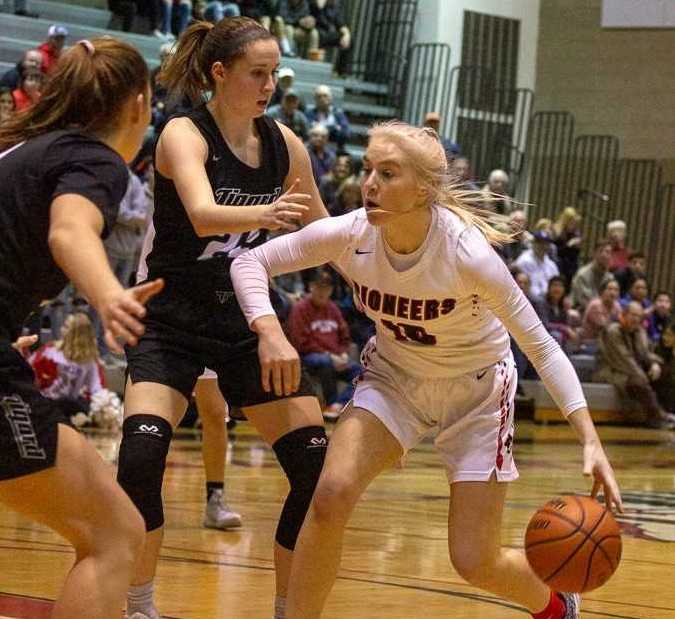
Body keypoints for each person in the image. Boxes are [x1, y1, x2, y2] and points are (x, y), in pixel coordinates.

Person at [231, 120, 622, 619]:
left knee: (472, 560)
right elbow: (248, 264)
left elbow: (542, 347)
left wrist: (588, 435)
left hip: (477, 391)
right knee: (329, 494)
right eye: (369, 169)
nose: (369, 184)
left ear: (424, 190)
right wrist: (269, 330)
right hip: (395, 378)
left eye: (388, 174)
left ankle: (556, 604)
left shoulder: (466, 254)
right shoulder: (352, 234)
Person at [118, 18, 328, 619]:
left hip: (245, 320)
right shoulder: (182, 133)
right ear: (219, 73)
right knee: (139, 459)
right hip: (172, 315)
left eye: (274, 74)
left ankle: (288, 608)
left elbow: (326, 233)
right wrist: (271, 209)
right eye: (257, 73)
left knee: (315, 467)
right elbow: (205, 215)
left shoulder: (286, 144)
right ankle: (139, 606)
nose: (269, 85)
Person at [0, 37, 163, 619]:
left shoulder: (26, 151)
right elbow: (69, 231)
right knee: (115, 533)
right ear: (141, 104)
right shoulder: (94, 160)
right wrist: (110, 294)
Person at [287, 269, 361, 418]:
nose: (322, 292)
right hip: (308, 358)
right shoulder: (300, 309)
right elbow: (300, 342)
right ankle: (330, 402)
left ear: (331, 290)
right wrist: (329, 355)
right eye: (319, 287)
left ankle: (338, 404)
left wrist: (343, 353)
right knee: (325, 362)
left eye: (326, 288)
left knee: (363, 373)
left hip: (335, 357)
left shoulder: (333, 308)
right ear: (311, 287)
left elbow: (344, 336)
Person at [594, 302, 673, 429]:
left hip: (632, 370)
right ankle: (658, 417)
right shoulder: (613, 331)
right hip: (611, 371)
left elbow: (645, 354)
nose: (636, 319)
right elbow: (624, 359)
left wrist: (654, 364)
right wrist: (643, 376)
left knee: (665, 372)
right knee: (638, 382)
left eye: (639, 316)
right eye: (633, 315)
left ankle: (668, 411)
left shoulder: (639, 331)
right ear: (624, 315)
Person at [30, 312, 105, 420]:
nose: (61, 329)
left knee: (74, 404)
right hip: (46, 400)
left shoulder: (89, 360)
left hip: (70, 405)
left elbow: (96, 388)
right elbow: (29, 368)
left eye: (66, 327)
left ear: (77, 334)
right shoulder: (51, 350)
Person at [194, 372, 243, 529]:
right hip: (165, 353)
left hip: (206, 349)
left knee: (216, 414)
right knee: (156, 425)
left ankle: (215, 500)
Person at [513, 230, 560, 301]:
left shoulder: (551, 265)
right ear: (533, 243)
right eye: (540, 243)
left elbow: (557, 284)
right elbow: (528, 290)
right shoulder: (524, 261)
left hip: (548, 303)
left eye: (546, 243)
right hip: (529, 301)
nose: (543, 246)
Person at [570, 239, 613, 312]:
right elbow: (586, 303)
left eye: (609, 252)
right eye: (601, 251)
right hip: (581, 312)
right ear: (595, 253)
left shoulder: (610, 277)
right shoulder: (583, 274)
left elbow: (612, 301)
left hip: (603, 313)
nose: (605, 255)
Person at [306, 84, 350, 150]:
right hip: (313, 152)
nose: (322, 99)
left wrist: (318, 130)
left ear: (331, 97)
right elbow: (307, 133)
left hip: (335, 151)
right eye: (319, 96)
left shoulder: (338, 114)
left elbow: (345, 134)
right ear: (315, 99)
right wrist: (335, 129)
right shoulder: (309, 114)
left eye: (325, 96)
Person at [580, 278, 621, 343]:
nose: (613, 293)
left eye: (616, 290)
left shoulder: (616, 305)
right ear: (602, 291)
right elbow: (605, 328)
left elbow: (621, 323)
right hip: (590, 343)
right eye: (610, 289)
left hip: (607, 342)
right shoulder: (595, 305)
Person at [552, 207, 582, 286]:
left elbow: (576, 253)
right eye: (572, 223)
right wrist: (569, 245)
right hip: (559, 264)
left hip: (571, 266)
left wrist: (577, 246)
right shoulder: (557, 231)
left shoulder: (575, 233)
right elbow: (556, 251)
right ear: (566, 221)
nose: (574, 225)